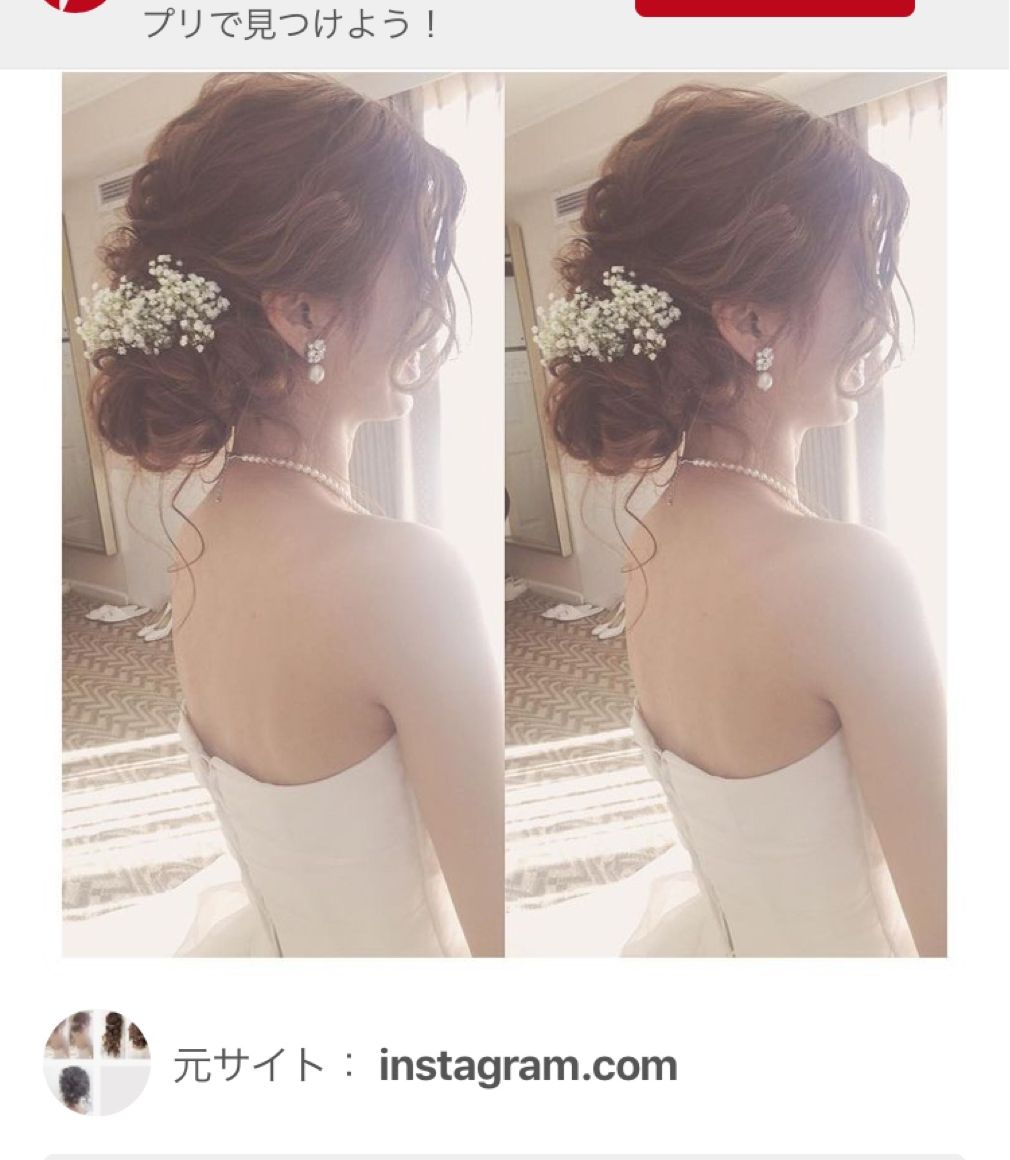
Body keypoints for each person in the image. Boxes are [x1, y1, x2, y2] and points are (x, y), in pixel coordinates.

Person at [77, 74, 502, 957]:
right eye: (415, 262)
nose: (430, 301)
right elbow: (495, 930)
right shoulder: (400, 573)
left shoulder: (201, 532)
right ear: (303, 310)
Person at [528, 85, 945, 957]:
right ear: (751, 320)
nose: (875, 314)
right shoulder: (843, 573)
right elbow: (952, 922)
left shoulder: (653, 532)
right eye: (861, 277)